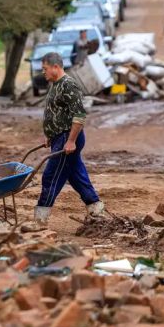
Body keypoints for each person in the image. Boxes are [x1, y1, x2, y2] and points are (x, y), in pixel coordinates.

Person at [33, 52, 104, 227]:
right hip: (60, 137)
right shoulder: (56, 85)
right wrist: (50, 135)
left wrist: (70, 141)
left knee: (51, 176)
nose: (44, 72)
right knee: (75, 175)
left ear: (55, 67)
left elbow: (79, 115)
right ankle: (96, 209)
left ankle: (40, 218)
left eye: (45, 69)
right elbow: (56, 113)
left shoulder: (68, 85)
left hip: (68, 137)